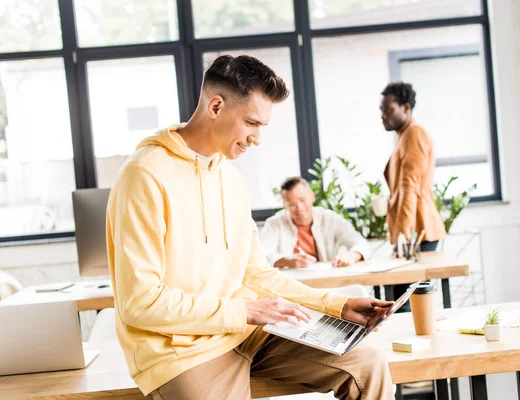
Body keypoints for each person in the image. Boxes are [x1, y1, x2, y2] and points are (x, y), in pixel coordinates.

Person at [106, 54, 395, 400]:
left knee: (369, 363)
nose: (257, 139)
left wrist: (336, 305)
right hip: (182, 353)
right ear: (215, 106)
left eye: (262, 127)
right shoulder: (145, 175)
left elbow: (256, 273)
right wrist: (244, 311)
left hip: (249, 332)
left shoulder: (229, 177)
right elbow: (139, 303)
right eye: (251, 123)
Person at [380, 82, 446, 309]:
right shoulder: (405, 135)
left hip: (418, 231)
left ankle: (413, 342)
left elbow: (410, 187)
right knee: (404, 296)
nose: (383, 116)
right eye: (382, 111)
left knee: (406, 299)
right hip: (413, 230)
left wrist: (405, 237)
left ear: (406, 108)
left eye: (389, 110)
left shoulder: (414, 133)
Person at [260, 176, 371, 269]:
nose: (299, 207)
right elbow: (261, 254)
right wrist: (287, 261)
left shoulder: (330, 218)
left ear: (312, 197)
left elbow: (361, 243)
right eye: (292, 204)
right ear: (285, 205)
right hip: (292, 286)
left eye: (302, 200)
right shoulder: (274, 224)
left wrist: (352, 255)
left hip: (328, 283)